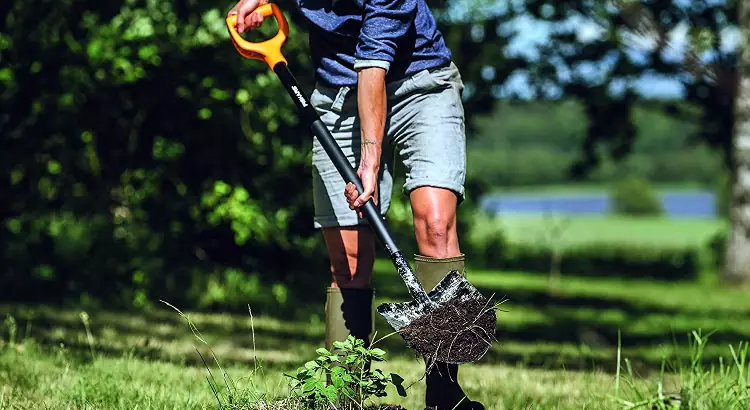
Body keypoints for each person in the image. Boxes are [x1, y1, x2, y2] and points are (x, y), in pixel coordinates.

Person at [228, 0, 483, 408]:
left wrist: (370, 159)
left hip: (421, 84)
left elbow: (372, 67)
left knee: (436, 223)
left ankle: (443, 392)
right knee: (348, 257)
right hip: (337, 95)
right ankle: (342, 397)